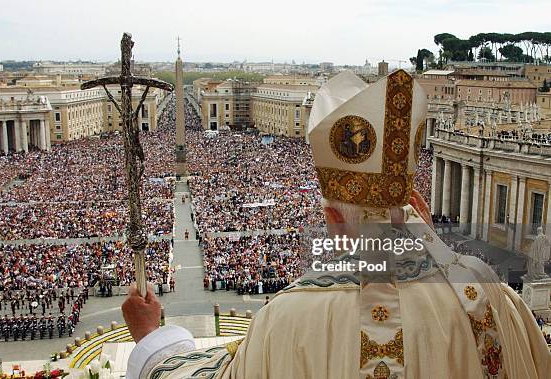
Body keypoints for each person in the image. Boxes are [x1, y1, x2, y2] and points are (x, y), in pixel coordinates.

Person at [122, 70, 550, 378]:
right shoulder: (490, 295)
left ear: (331, 218)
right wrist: (437, 251)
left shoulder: (290, 318)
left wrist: (152, 340)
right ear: (415, 203)